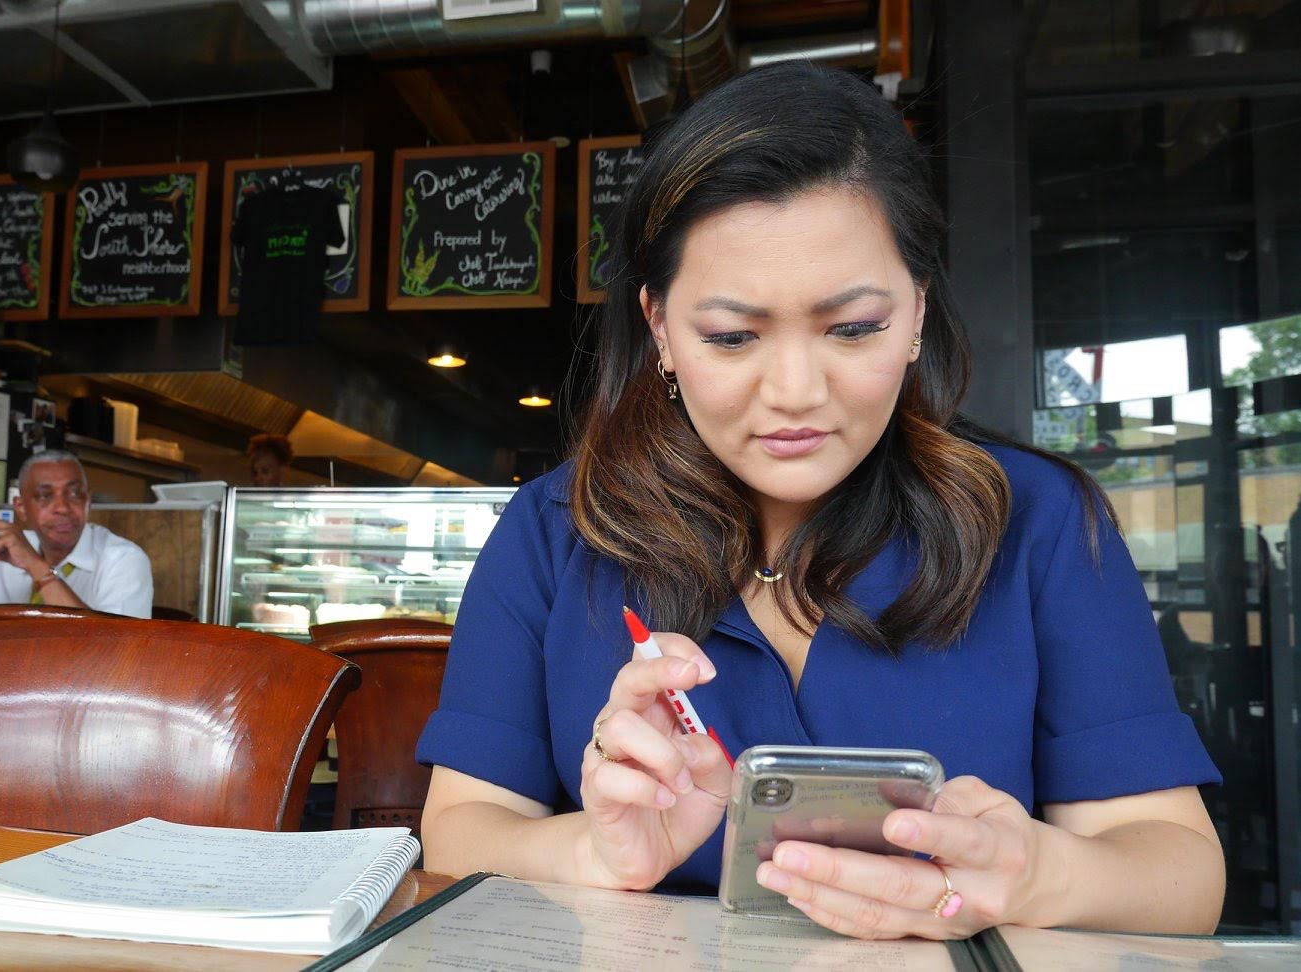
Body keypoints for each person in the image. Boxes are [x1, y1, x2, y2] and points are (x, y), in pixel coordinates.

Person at [417, 64, 1225, 940]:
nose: (796, 391)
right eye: (731, 337)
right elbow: (460, 830)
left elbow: (1180, 871)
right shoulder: (553, 535)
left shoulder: (1039, 522)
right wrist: (598, 856)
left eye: (853, 328)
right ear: (659, 328)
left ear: (918, 306)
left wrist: (1033, 878)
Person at [0, 450, 152, 618]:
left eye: (75, 494)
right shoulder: (1, 552)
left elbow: (118, 651)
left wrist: (36, 566)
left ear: (88, 501)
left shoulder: (124, 559)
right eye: (45, 496)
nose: (63, 508)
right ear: (20, 507)